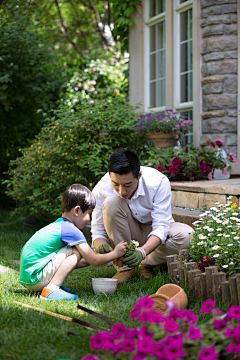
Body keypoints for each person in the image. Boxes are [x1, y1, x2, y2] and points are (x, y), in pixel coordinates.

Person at [91, 149, 193, 283]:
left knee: (188, 236)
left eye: (128, 184)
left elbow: (161, 226)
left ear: (139, 175)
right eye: (115, 184)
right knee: (111, 202)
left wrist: (143, 252)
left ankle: (146, 263)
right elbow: (97, 232)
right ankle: (125, 268)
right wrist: (101, 245)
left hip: (154, 231)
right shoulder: (101, 189)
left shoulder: (158, 182)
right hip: (126, 233)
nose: (122, 191)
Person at [19, 184, 127, 300]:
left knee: (75, 251)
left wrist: (88, 260)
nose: (89, 219)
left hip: (30, 278)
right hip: (36, 277)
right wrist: (116, 253)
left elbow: (67, 263)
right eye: (88, 213)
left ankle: (51, 286)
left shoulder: (60, 225)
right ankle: (51, 289)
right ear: (77, 211)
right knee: (75, 250)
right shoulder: (71, 230)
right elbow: (94, 260)